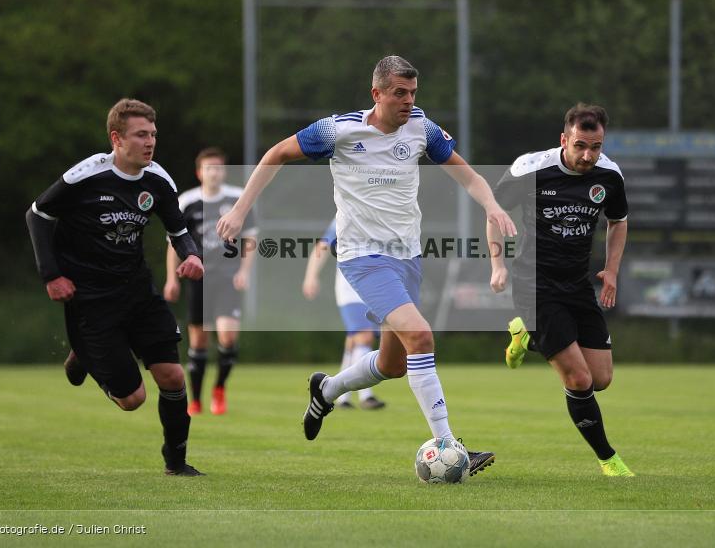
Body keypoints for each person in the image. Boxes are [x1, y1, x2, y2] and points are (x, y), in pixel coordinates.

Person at [217, 55, 516, 477]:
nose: (408, 101)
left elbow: (469, 176)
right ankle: (450, 445)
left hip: (407, 258)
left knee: (394, 364)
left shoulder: (422, 129)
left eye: (413, 93)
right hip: (362, 258)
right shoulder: (338, 130)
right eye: (399, 93)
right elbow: (275, 155)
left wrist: (493, 206)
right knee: (421, 336)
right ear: (376, 93)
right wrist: (240, 210)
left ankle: (328, 388)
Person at [25, 98, 206, 476]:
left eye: (153, 134)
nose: (150, 142)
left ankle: (176, 462)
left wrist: (192, 256)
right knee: (132, 399)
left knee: (172, 376)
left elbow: (179, 231)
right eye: (141, 135)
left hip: (137, 291)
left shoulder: (158, 179)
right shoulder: (86, 176)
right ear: (117, 139)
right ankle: (85, 353)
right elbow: (38, 215)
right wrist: (51, 275)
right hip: (90, 297)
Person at [488, 103, 634, 477]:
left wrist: (612, 271)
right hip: (534, 284)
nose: (588, 155)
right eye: (581, 145)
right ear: (564, 139)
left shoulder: (610, 176)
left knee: (601, 379)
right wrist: (498, 264)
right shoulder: (530, 169)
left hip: (577, 283)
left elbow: (618, 222)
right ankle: (608, 459)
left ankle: (526, 335)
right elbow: (494, 213)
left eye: (596, 147)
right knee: (579, 380)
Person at [163, 148, 257, 416]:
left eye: (217, 167)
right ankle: (195, 400)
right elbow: (173, 244)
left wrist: (244, 271)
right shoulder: (187, 201)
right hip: (199, 279)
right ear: (199, 172)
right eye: (208, 168)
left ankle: (219, 389)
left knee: (228, 338)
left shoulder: (236, 198)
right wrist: (172, 279)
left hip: (228, 278)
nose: (213, 172)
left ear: (223, 171)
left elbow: (250, 238)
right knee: (199, 344)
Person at [302, 219, 385, 410]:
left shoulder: (383, 209)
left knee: (355, 340)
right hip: (351, 287)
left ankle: (342, 396)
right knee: (364, 335)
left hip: (376, 286)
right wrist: (311, 276)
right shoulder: (347, 211)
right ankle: (366, 395)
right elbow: (323, 246)